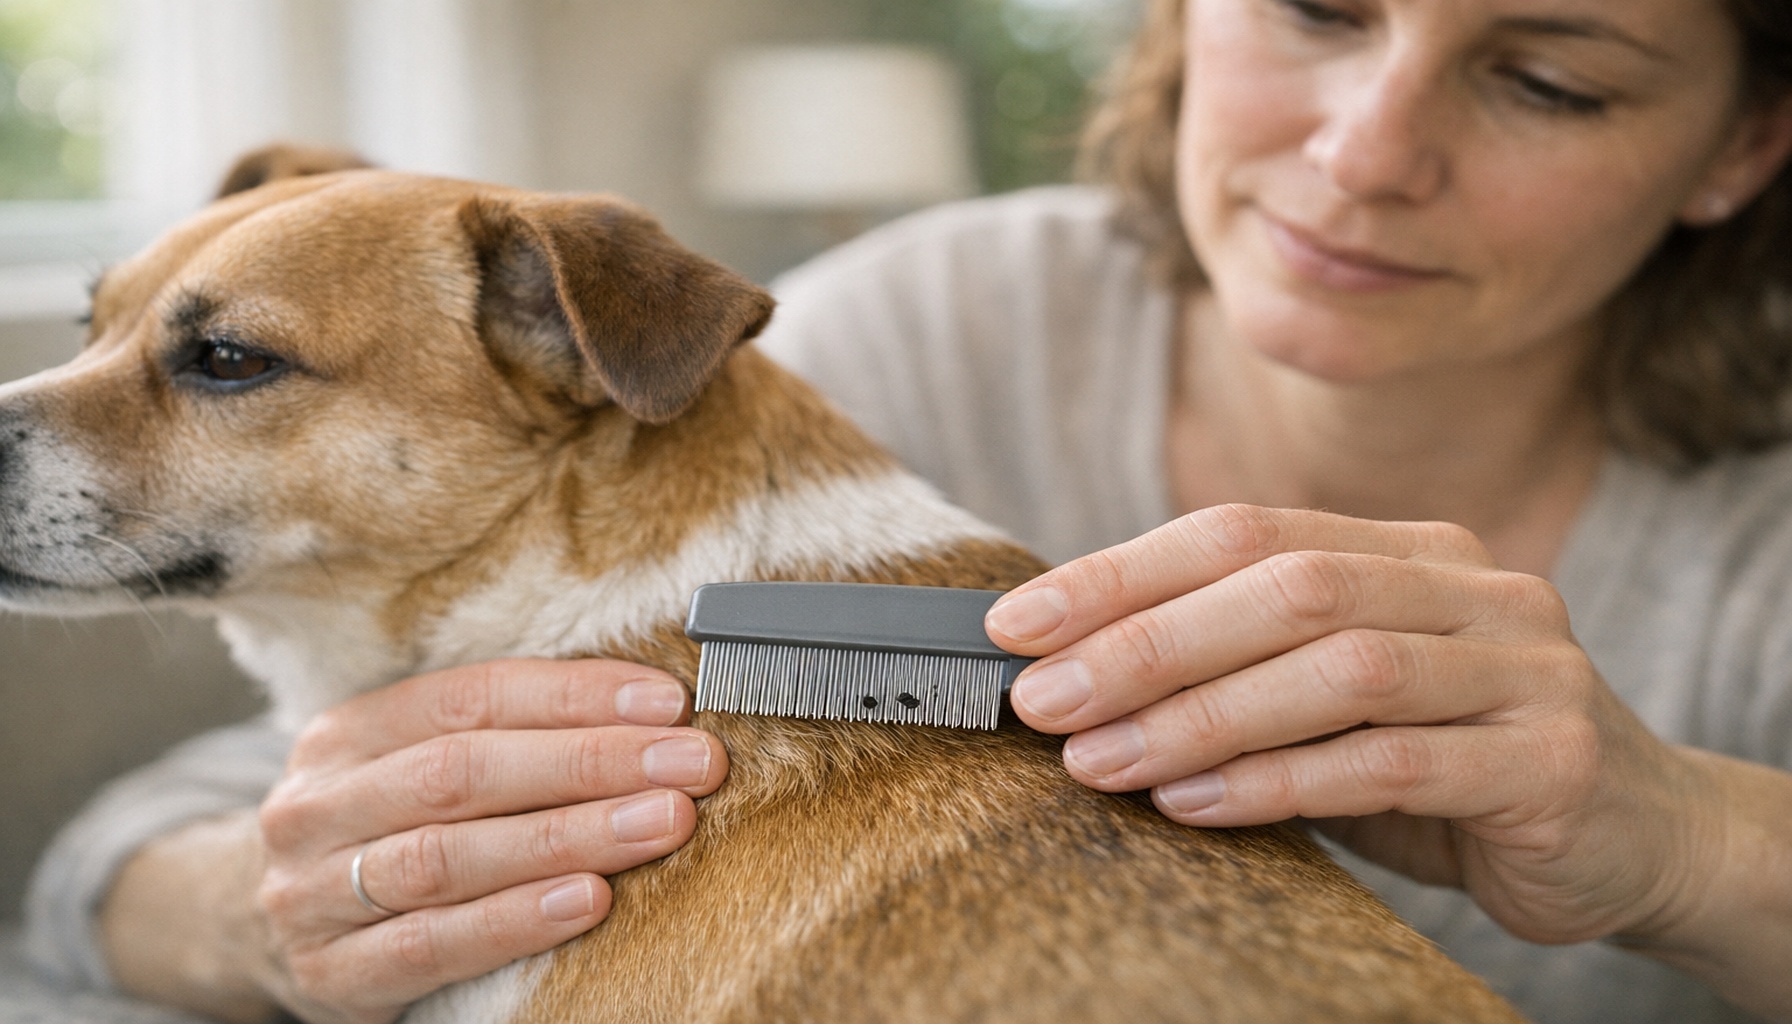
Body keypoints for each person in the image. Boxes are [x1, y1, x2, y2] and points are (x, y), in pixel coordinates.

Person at [24, 0, 1792, 1021]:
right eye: (1319, 0)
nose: (1364, 151)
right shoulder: (865, 350)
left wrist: (1702, 842)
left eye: (1550, 77)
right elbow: (122, 861)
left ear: (1743, 142)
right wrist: (276, 906)